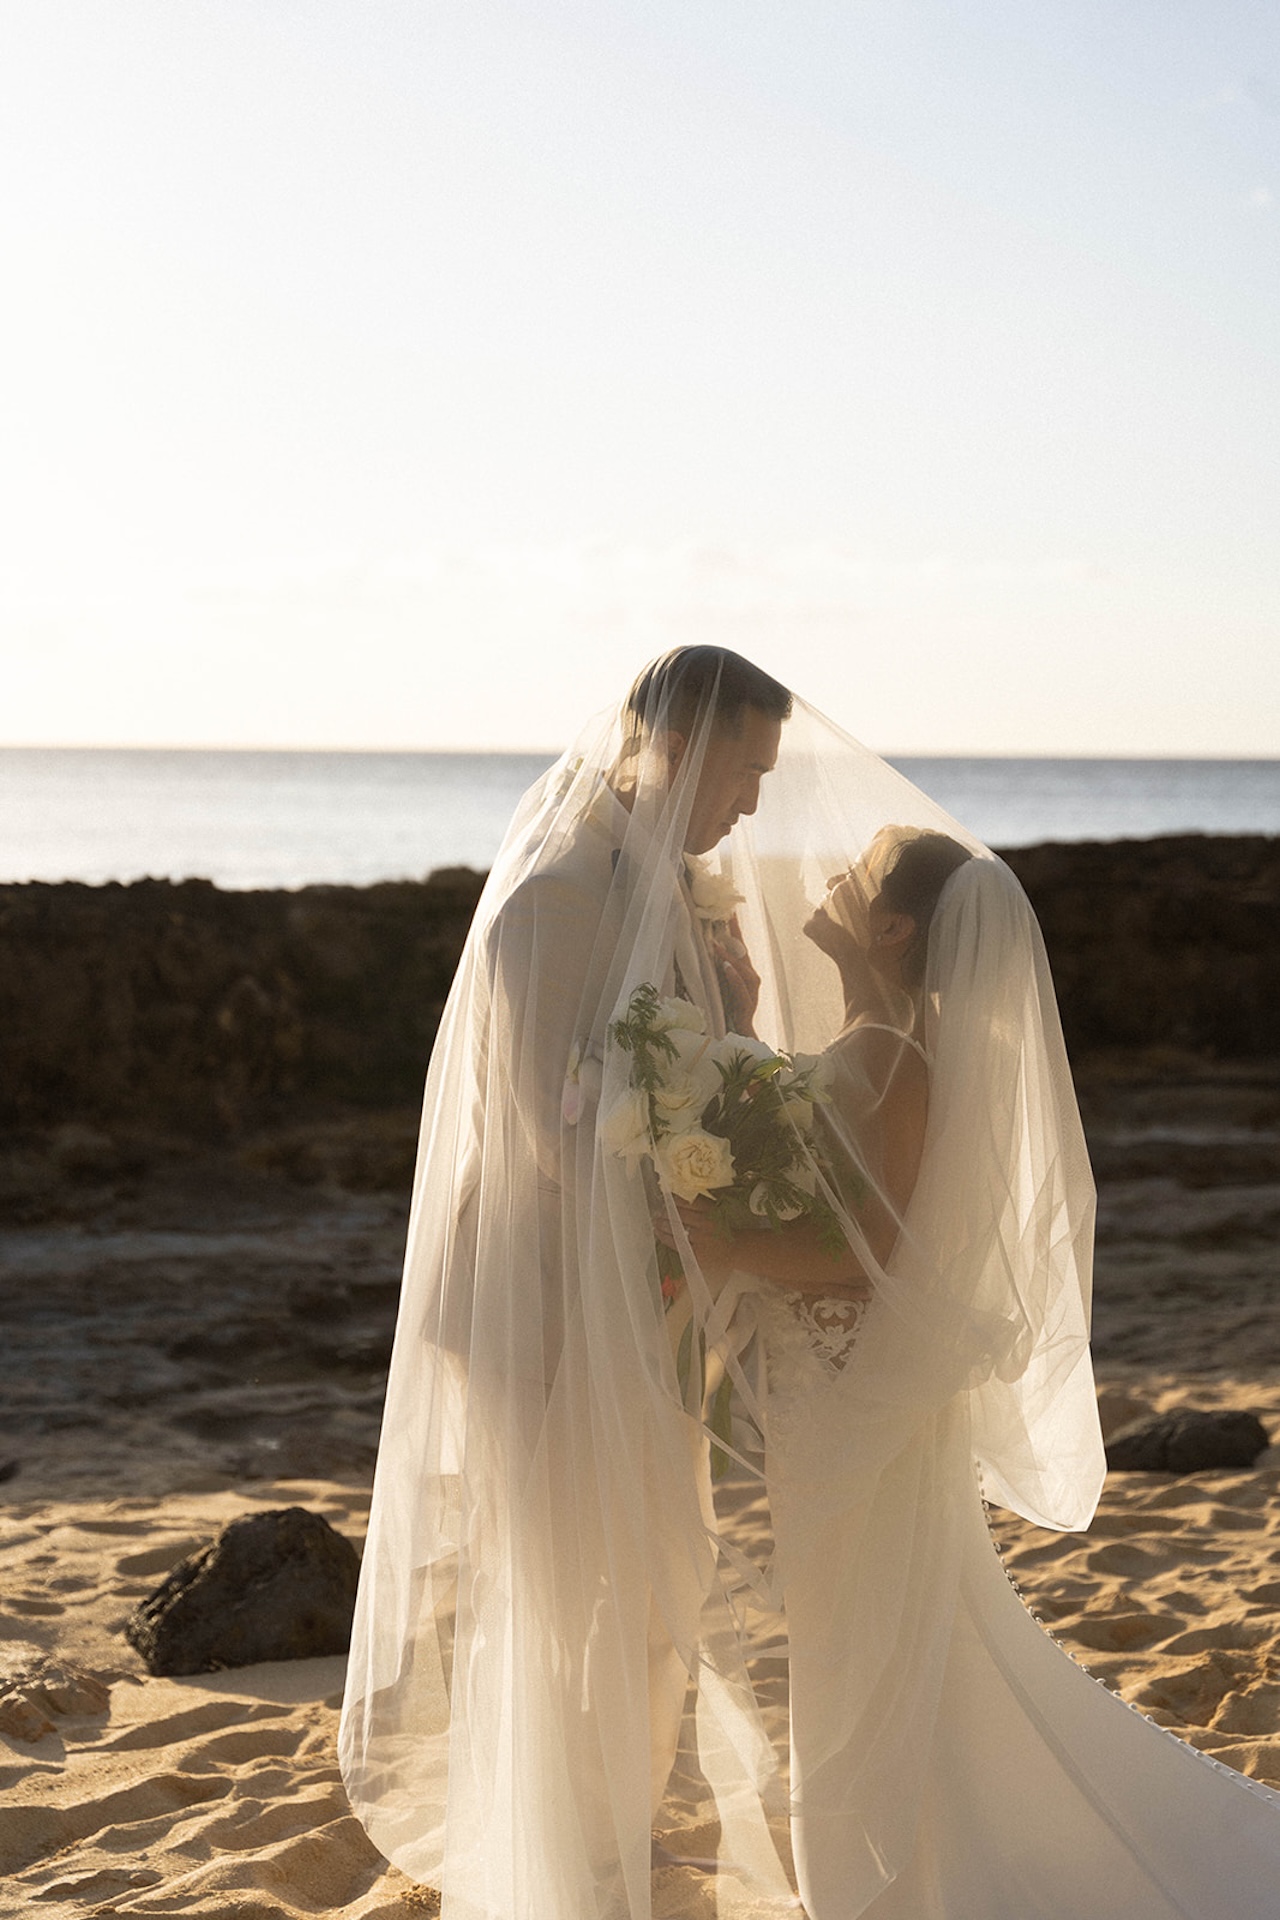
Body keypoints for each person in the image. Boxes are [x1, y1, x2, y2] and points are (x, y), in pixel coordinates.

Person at [343, 665, 1280, 1919]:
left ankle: (601, 1847)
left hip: (656, 1305)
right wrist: (698, 1218)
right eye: (740, 772)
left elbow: (737, 1125)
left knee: (651, 1594)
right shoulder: (556, 902)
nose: (750, 807)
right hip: (547, 1304)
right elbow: (544, 1139)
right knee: (570, 1596)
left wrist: (720, 1063)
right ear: (666, 746)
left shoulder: (670, 897)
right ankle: (558, 1872)